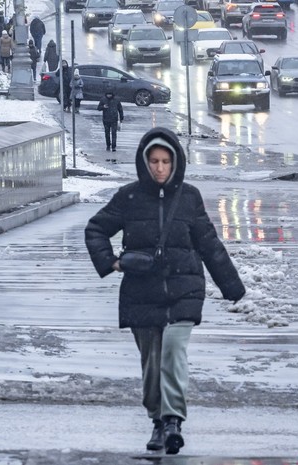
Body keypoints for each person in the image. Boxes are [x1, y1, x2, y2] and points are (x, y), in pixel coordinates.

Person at [84, 127, 246, 455]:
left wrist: (232, 287)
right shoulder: (128, 197)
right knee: (152, 361)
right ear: (145, 162)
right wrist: (112, 263)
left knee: (173, 350)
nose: (159, 168)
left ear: (175, 163)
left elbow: (209, 243)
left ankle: (173, 420)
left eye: (165, 161)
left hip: (185, 289)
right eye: (154, 161)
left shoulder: (189, 197)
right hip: (141, 293)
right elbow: (96, 229)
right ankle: (157, 420)